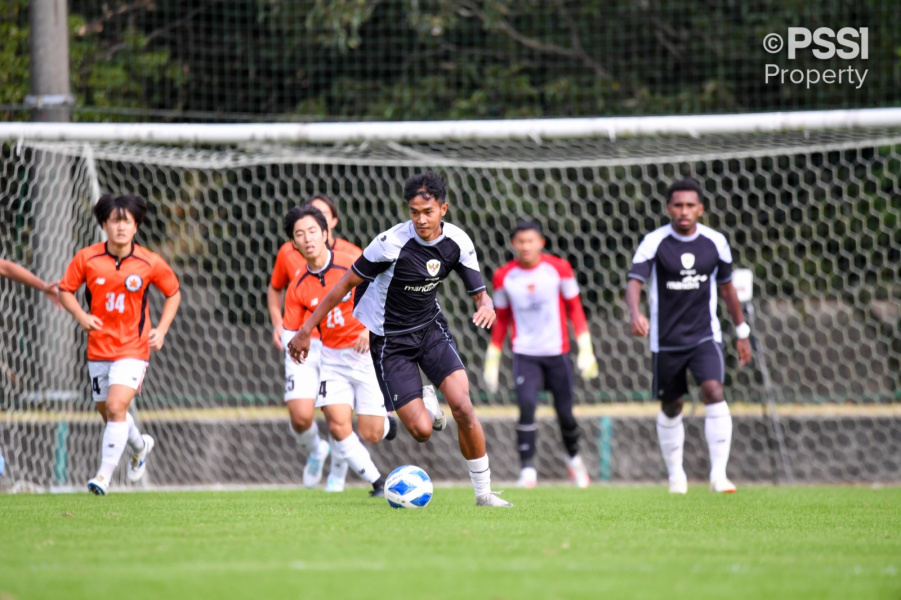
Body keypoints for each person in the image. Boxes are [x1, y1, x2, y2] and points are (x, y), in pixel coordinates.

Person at [288, 172, 513, 507]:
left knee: (464, 406)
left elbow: (479, 294)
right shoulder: (389, 244)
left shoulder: (458, 243)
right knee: (422, 432)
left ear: (443, 209)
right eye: (414, 212)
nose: (421, 219)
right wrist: (306, 329)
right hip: (390, 342)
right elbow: (343, 285)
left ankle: (483, 494)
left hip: (430, 329)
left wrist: (486, 305)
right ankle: (425, 398)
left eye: (428, 212)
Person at [626, 178, 751, 494]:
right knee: (672, 405)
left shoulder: (715, 242)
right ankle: (676, 477)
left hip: (704, 335)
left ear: (700, 209)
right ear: (669, 208)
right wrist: (635, 313)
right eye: (678, 205)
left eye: (690, 205)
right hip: (665, 340)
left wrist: (742, 332)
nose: (684, 211)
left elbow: (727, 288)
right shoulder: (654, 242)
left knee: (713, 389)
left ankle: (719, 476)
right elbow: (635, 281)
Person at [58, 194, 181, 495]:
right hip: (98, 349)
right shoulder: (87, 258)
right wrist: (80, 315)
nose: (121, 227)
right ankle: (141, 447)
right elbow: (65, 290)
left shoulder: (149, 261)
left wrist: (161, 330)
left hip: (133, 349)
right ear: (104, 224)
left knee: (115, 407)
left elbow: (173, 293)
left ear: (136, 226)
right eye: (115, 221)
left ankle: (102, 477)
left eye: (127, 221)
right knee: (111, 414)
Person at [282, 205, 395, 496]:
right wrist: (295, 346)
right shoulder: (296, 286)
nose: (307, 239)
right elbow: (293, 333)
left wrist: (369, 329)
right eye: (299, 234)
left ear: (325, 233)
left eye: (312, 231)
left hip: (365, 356)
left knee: (371, 433)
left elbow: (388, 292)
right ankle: (377, 482)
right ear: (293, 244)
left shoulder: (352, 262)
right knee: (337, 424)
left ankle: (391, 423)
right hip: (331, 358)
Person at [484, 221, 598, 489]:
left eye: (530, 241)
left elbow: (575, 308)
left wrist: (585, 347)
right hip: (525, 353)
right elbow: (502, 319)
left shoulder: (559, 268)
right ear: (513, 244)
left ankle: (575, 461)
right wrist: (493, 356)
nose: (526, 246)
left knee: (565, 414)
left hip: (558, 353)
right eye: (520, 241)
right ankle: (527, 471)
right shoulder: (503, 276)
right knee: (525, 407)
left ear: (541, 242)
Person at [267, 195, 362, 490]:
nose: (307, 233)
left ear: (330, 223)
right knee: (300, 415)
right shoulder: (288, 252)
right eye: (301, 228)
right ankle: (316, 450)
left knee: (338, 413)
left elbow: (371, 294)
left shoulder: (352, 254)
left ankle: (337, 474)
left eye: (319, 218)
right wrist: (277, 324)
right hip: (304, 342)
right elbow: (275, 289)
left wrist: (368, 329)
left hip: (342, 343)